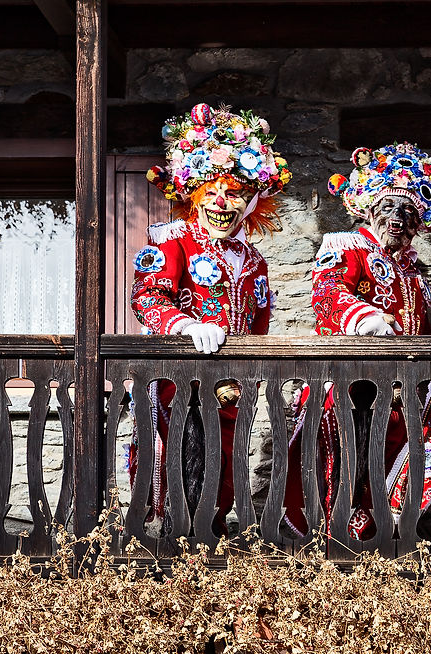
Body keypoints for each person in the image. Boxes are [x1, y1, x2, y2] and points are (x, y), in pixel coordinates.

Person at [130, 103, 291, 535]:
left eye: (234, 193)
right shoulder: (174, 240)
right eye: (211, 192)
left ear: (252, 201)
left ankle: (209, 543)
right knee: (183, 466)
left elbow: (259, 323)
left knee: (225, 471)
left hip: (233, 389)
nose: (222, 203)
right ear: (193, 195)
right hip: (179, 382)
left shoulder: (255, 260)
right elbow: (146, 295)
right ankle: (175, 546)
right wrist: (186, 326)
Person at [288, 143, 431, 538]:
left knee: (385, 471)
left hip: (399, 392)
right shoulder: (347, 247)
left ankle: (380, 548)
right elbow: (327, 294)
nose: (398, 218)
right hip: (351, 384)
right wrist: (365, 318)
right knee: (346, 467)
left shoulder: (413, 273)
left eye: (409, 212)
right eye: (389, 207)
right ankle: (336, 547)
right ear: (368, 209)